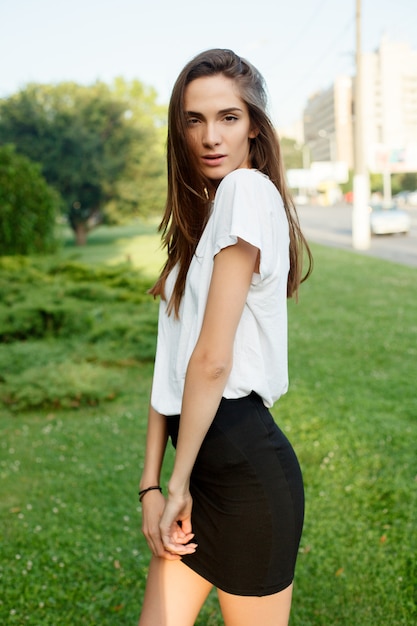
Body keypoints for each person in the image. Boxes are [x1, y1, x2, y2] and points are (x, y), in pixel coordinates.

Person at [138, 48, 313, 626]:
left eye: (228, 118)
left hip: (241, 469)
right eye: (194, 120)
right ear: (179, 129)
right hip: (199, 465)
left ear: (255, 131)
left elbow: (212, 362)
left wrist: (177, 479)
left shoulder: (245, 191)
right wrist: (151, 486)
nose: (210, 135)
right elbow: (172, 366)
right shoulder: (205, 216)